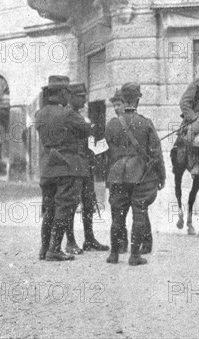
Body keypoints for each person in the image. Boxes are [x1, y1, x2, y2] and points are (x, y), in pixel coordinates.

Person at [105, 82, 166, 266]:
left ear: (123, 99)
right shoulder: (146, 123)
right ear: (138, 99)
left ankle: (114, 254)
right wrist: (161, 176)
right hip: (140, 174)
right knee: (139, 212)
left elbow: (109, 151)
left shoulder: (112, 124)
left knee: (117, 215)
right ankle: (134, 256)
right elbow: (156, 153)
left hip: (117, 175)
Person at [35, 75, 92, 261]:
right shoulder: (68, 114)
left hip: (47, 167)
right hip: (66, 166)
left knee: (49, 208)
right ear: (61, 93)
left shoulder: (40, 113)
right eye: (67, 92)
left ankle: (44, 249)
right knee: (64, 207)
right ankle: (55, 249)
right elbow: (85, 130)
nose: (69, 96)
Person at [63, 83, 109, 254]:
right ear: (71, 97)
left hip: (85, 165)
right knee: (72, 204)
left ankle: (89, 240)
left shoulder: (77, 115)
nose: (84, 99)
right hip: (74, 166)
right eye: (81, 96)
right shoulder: (69, 114)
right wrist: (91, 127)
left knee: (89, 203)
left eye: (84, 96)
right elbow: (88, 130)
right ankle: (71, 241)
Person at [109, 88, 129, 254]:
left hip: (118, 172)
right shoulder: (112, 124)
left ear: (126, 104)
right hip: (127, 173)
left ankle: (120, 245)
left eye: (119, 104)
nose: (116, 108)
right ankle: (143, 243)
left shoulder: (113, 125)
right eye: (114, 105)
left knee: (118, 209)